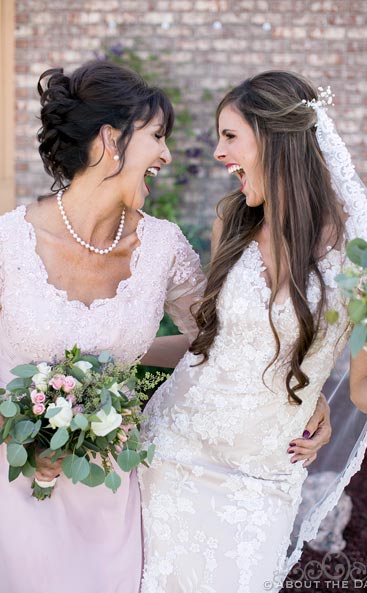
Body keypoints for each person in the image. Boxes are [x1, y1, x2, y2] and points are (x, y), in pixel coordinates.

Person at [0, 61, 329, 593]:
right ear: (111, 139)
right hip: (12, 483)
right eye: (157, 137)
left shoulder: (163, 248)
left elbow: (224, 343)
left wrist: (309, 390)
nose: (167, 155)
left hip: (110, 495)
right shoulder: (7, 243)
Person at [138, 71, 367, 593]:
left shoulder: (357, 257)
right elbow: (209, 344)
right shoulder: (234, 221)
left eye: (230, 135)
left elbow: (365, 392)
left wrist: (312, 391)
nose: (219, 152)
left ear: (272, 136)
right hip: (173, 450)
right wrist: (113, 355)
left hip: (262, 478)